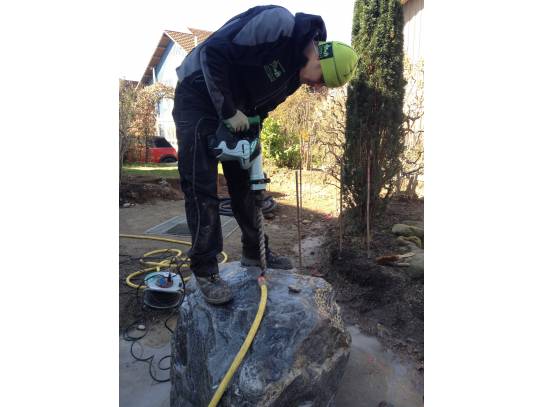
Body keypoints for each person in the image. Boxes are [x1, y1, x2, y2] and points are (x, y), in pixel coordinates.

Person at [172, 5, 358, 305]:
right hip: (198, 92)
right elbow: (213, 53)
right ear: (321, 57)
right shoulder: (278, 24)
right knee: (201, 186)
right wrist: (228, 110)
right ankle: (206, 270)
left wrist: (252, 146)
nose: (316, 87)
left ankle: (253, 251)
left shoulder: (294, 77)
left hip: (238, 108)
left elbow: (261, 109)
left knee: (247, 185)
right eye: (321, 79)